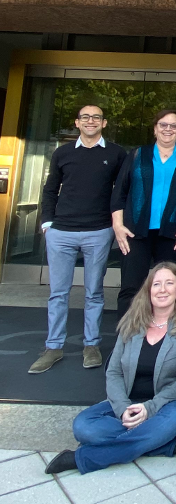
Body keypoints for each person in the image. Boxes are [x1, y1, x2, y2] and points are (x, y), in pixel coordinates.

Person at [44, 262, 176, 475]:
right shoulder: (133, 320)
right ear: (148, 289)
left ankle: (83, 457)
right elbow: (114, 371)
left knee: (171, 421)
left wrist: (151, 408)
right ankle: (166, 445)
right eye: (156, 284)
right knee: (83, 426)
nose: (162, 289)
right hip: (129, 401)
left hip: (170, 404)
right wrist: (122, 409)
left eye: (169, 283)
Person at [29, 105, 126, 374]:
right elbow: (50, 189)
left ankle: (91, 345)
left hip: (98, 231)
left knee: (94, 292)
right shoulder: (63, 153)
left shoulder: (116, 153)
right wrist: (48, 223)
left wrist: (116, 224)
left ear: (104, 123)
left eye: (96, 117)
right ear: (77, 122)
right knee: (58, 293)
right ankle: (53, 347)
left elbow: (122, 192)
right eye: (86, 117)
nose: (91, 121)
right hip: (61, 232)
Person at [111, 110, 176, 319]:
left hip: (173, 234)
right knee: (131, 288)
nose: (168, 129)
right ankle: (126, 343)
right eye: (163, 125)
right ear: (155, 129)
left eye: (173, 126)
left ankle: (162, 342)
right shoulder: (137, 155)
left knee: (169, 290)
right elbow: (120, 192)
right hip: (135, 232)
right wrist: (118, 225)